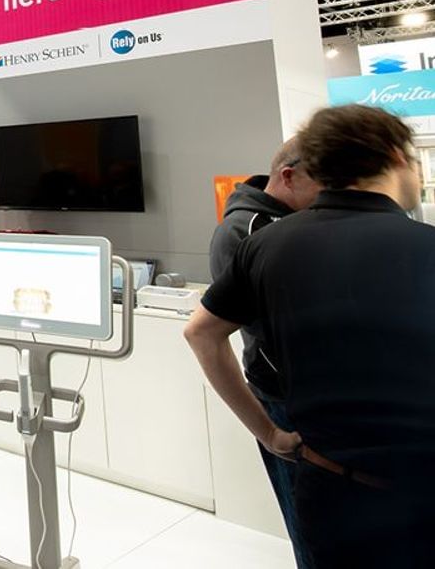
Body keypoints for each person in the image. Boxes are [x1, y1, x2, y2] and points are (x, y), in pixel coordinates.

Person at [185, 105, 435, 569]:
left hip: (325, 486)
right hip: (419, 490)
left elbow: (200, 332)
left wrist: (269, 433)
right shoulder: (425, 246)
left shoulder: (265, 244)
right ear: (396, 158)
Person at [206, 136, 320, 566]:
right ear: (289, 177)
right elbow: (212, 332)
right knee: (311, 528)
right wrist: (268, 430)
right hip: (288, 399)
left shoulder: (281, 223)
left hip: (308, 397)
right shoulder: (248, 232)